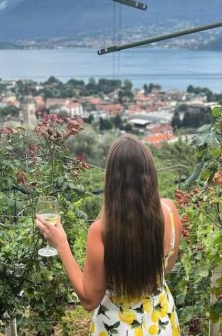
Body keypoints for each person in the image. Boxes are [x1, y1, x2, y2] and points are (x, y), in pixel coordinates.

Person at [35, 135, 182, 336]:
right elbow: (167, 267)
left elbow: (89, 299)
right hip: (161, 323)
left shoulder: (101, 231)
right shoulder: (170, 212)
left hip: (118, 328)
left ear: (111, 179)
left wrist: (61, 244)